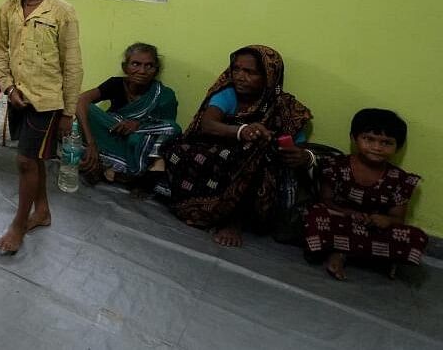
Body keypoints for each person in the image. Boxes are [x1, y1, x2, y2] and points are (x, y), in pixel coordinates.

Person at [162, 45, 315, 247]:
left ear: (269, 76)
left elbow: (299, 145)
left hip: (259, 168)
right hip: (218, 154)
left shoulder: (285, 107)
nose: (240, 76)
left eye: (250, 72)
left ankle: (234, 220)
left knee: (253, 152)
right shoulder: (227, 94)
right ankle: (198, 206)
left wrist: (305, 156)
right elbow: (207, 124)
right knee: (174, 147)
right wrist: (242, 131)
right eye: (236, 69)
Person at [0, 0, 83, 255]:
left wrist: (69, 112)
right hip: (18, 98)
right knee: (34, 161)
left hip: (47, 103)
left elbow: (72, 66)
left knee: (26, 161)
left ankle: (18, 224)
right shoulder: (8, 10)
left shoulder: (62, 13)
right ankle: (42, 211)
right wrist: (7, 86)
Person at [304, 109, 428, 280]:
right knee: (315, 214)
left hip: (373, 229)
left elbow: (398, 218)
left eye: (386, 142)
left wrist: (385, 220)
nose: (377, 148)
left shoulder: (400, 180)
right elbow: (326, 200)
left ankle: (345, 252)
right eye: (369, 139)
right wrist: (349, 213)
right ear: (354, 138)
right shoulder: (335, 166)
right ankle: (346, 254)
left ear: (397, 147)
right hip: (342, 220)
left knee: (416, 237)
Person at [75, 42, 181, 184]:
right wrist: (91, 142)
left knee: (173, 128)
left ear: (156, 70)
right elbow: (81, 100)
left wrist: (139, 125)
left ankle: (114, 169)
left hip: (138, 146)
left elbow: (168, 132)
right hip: (113, 135)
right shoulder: (116, 84)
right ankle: (113, 169)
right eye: (135, 64)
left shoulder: (165, 95)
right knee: (80, 112)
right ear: (125, 67)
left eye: (149, 66)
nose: (142, 71)